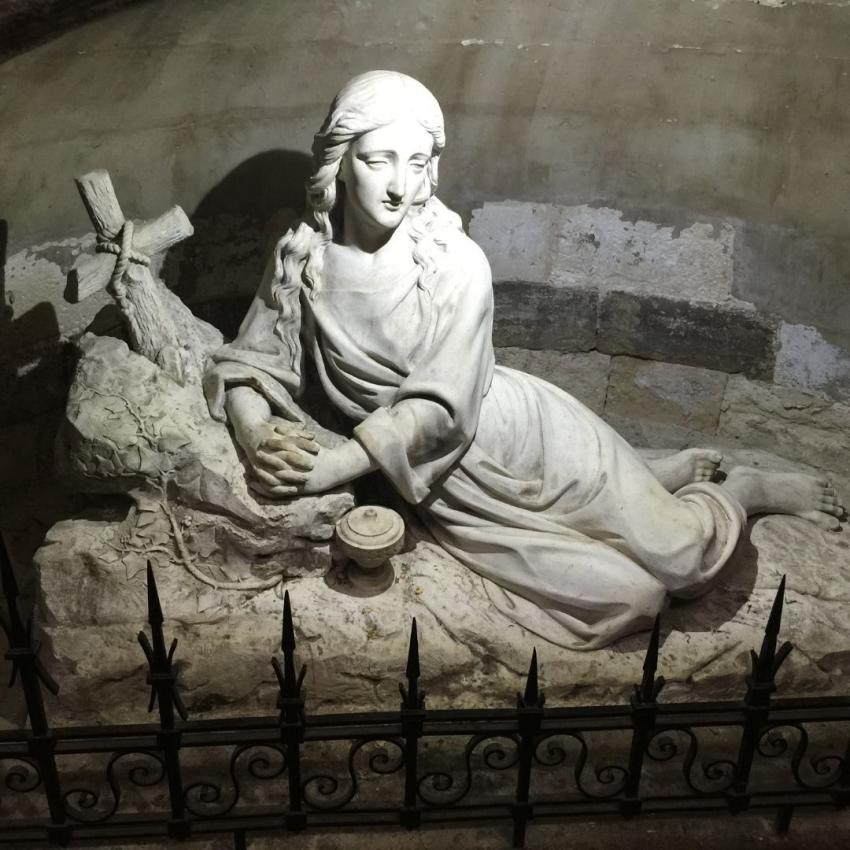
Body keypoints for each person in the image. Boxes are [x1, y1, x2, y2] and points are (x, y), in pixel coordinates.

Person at [204, 71, 843, 649]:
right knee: (635, 601)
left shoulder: (453, 262)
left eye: (418, 163)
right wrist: (255, 433)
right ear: (341, 162)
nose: (400, 186)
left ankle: (743, 491)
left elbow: (440, 406)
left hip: (516, 439)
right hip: (444, 485)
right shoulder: (301, 257)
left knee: (684, 561)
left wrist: (332, 466)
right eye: (379, 160)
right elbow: (249, 361)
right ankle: (650, 472)